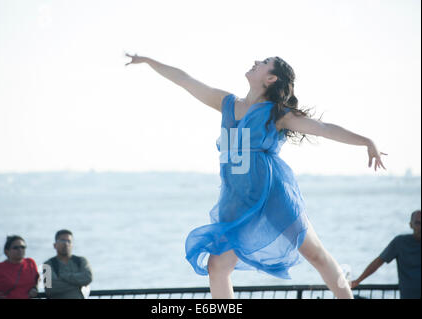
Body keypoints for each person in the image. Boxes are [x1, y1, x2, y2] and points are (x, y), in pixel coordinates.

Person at [124, 53, 387, 299]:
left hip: (271, 194)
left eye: (263, 62)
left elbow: (323, 128)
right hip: (236, 199)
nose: (255, 62)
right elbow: (185, 80)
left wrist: (366, 141)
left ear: (271, 78)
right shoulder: (227, 103)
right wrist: (149, 61)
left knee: (316, 255)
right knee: (217, 266)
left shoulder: (277, 113)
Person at [351, 210, 421, 299]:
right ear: (411, 225)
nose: (420, 227)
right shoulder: (400, 243)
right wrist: (358, 281)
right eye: (418, 223)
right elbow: (378, 262)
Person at [43, 229, 93, 299]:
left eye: (69, 241)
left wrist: (62, 276)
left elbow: (88, 278)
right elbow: (49, 289)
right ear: (55, 245)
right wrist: (78, 284)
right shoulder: (47, 265)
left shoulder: (81, 261)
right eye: (62, 240)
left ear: (72, 245)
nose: (66, 244)